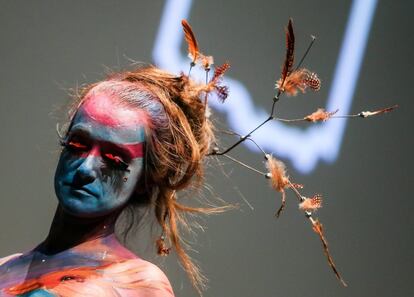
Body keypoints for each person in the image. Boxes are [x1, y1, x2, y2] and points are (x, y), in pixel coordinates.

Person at [0, 65, 220, 297]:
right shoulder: (5, 269)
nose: (85, 168)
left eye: (114, 159)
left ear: (144, 180)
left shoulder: (136, 285)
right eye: (78, 145)